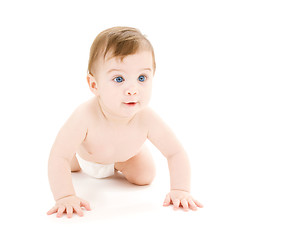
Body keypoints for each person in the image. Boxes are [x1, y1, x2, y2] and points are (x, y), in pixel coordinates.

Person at [47, 26, 203, 218]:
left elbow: (175, 152)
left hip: (125, 157)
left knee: (145, 177)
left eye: (142, 78)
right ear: (94, 85)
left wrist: (181, 189)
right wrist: (65, 196)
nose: (132, 89)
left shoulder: (147, 117)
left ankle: (120, 164)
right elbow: (58, 156)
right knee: (68, 163)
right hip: (87, 157)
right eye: (119, 79)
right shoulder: (84, 116)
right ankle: (76, 160)